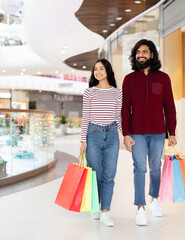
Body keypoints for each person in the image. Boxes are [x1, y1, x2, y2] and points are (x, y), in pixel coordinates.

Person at [122, 39, 177, 226]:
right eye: (138, 52)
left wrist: (173, 132)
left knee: (155, 168)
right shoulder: (129, 80)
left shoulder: (163, 78)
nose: (141, 55)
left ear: (152, 54)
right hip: (136, 132)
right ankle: (140, 208)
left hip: (158, 132)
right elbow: (124, 108)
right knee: (139, 169)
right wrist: (126, 134)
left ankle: (154, 198)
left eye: (144, 51)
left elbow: (169, 106)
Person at [80, 59, 122, 227]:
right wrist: (83, 139)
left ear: (108, 71)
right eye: (95, 69)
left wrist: (126, 135)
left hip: (112, 135)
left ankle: (106, 212)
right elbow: (86, 117)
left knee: (109, 175)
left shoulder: (117, 92)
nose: (98, 72)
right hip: (93, 134)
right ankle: (94, 206)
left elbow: (118, 116)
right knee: (95, 174)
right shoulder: (89, 92)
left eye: (101, 68)